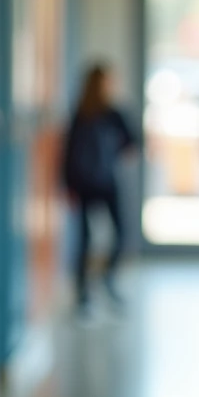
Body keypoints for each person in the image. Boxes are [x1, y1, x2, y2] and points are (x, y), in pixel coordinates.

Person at [62, 63, 136, 313]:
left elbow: (132, 142)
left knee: (121, 233)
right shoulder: (82, 114)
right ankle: (84, 294)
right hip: (85, 183)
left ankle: (107, 279)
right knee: (85, 240)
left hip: (106, 182)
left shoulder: (113, 113)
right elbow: (69, 153)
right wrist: (67, 184)